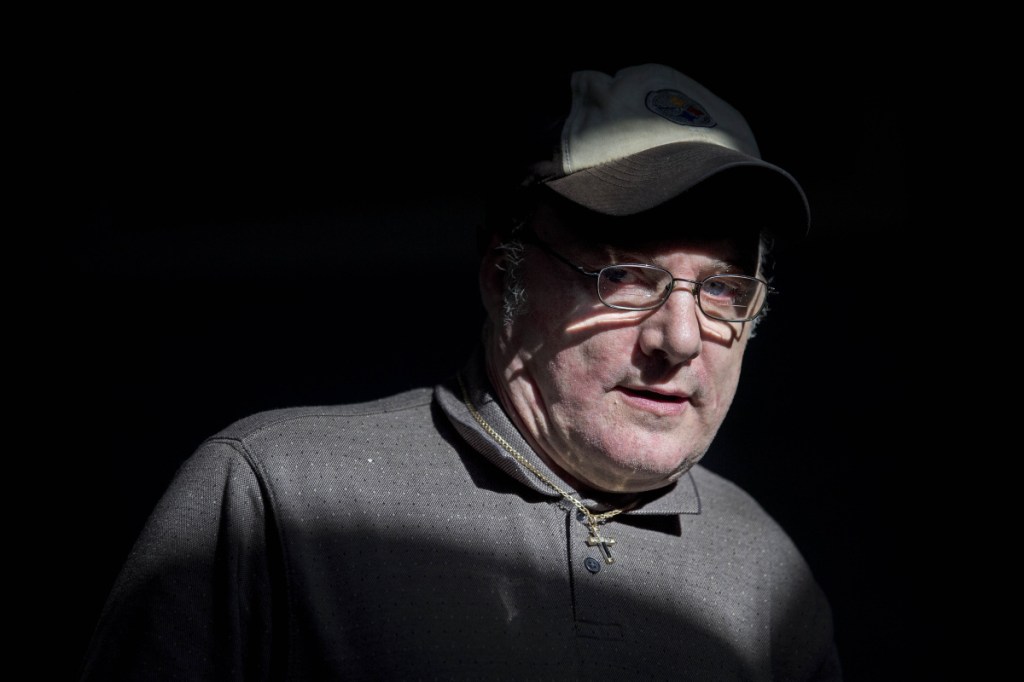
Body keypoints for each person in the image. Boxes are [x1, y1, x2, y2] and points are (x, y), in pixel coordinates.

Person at [80, 63, 842, 680]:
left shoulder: (767, 568)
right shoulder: (276, 498)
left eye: (721, 289)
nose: (679, 339)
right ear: (500, 276)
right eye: (627, 275)